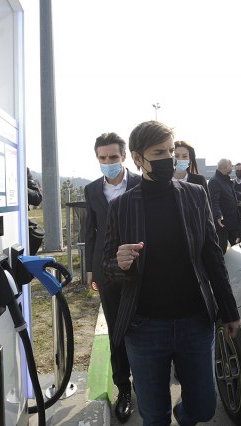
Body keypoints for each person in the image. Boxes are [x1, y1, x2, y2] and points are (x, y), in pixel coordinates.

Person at [102, 121, 241, 426]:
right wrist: (120, 263)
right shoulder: (121, 207)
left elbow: (212, 256)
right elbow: (107, 266)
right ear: (137, 158)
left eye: (170, 151)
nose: (169, 158)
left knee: (203, 408)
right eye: (159, 153)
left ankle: (184, 414)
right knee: (154, 416)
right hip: (145, 328)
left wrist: (229, 310)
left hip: (195, 322)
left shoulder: (195, 195)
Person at [83, 132, 141, 422]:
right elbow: (89, 231)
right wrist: (90, 269)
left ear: (124, 157)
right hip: (106, 271)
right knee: (116, 331)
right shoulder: (92, 190)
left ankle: (145, 381)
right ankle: (124, 389)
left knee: (142, 326)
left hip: (139, 268)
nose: (108, 162)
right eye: (102, 158)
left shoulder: (141, 184)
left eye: (113, 157)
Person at [208, 158, 240, 253]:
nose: (232, 168)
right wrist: (218, 215)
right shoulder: (215, 181)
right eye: (231, 166)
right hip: (223, 224)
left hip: (233, 222)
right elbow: (213, 201)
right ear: (225, 167)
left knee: (237, 248)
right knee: (221, 250)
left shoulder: (225, 179)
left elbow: (232, 196)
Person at [27, 168, 44, 255]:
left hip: (17, 221)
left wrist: (19, 186)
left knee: (35, 233)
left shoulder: (23, 170)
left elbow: (37, 198)